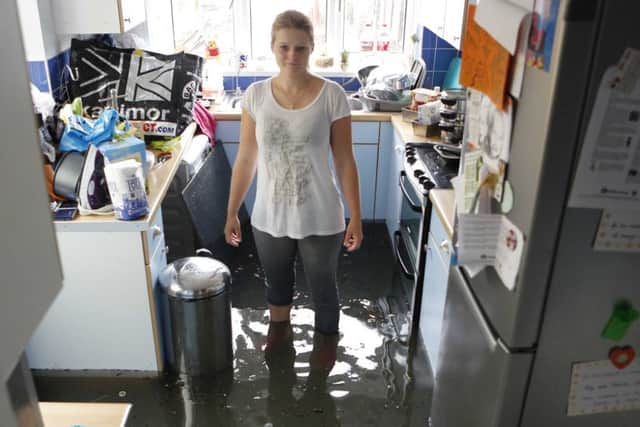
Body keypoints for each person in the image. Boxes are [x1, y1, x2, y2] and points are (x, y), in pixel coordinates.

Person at [224, 9, 362, 342]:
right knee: (277, 288)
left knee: (324, 289)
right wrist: (232, 211)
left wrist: (356, 216)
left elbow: (344, 159)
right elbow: (246, 158)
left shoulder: (332, 96)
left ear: (311, 48)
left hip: (321, 213)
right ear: (273, 47)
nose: (292, 56)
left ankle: (323, 369)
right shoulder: (255, 96)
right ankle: (279, 362)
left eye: (300, 48)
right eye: (284, 47)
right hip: (269, 214)